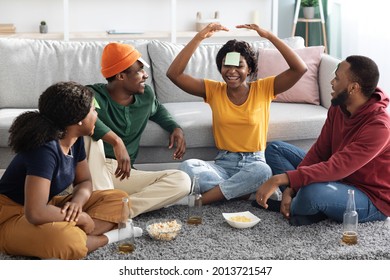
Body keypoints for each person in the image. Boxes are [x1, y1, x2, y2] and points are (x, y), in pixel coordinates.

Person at [166, 23, 307, 204]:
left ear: (249, 69)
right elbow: (174, 74)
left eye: (239, 66)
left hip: (254, 163)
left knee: (263, 171)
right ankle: (243, 192)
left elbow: (299, 69)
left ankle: (202, 201)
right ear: (220, 68)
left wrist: (270, 37)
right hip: (223, 164)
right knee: (188, 166)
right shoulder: (213, 90)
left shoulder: (263, 88)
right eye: (226, 65)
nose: (232, 71)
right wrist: (199, 37)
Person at [0, 81, 137, 260]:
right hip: (9, 217)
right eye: (93, 110)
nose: (97, 114)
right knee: (67, 240)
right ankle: (109, 237)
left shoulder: (74, 139)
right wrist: (82, 218)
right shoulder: (44, 150)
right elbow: (35, 212)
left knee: (120, 200)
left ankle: (81, 236)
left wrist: (77, 204)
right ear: (78, 119)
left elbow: (84, 181)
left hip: (47, 207)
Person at [255, 55, 390, 226]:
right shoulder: (339, 107)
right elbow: (319, 152)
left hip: (369, 197)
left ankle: (302, 207)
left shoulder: (379, 127)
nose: (332, 82)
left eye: (337, 78)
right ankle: (303, 206)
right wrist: (292, 187)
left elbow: (337, 168)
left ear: (353, 87)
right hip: (336, 179)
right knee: (275, 149)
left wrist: (279, 179)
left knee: (312, 191)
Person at [85, 42, 191, 218]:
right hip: (93, 168)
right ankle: (103, 202)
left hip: (122, 173)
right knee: (85, 133)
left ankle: (119, 210)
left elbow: (158, 110)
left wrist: (175, 127)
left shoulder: (146, 96)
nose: (145, 76)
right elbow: (81, 114)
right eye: (139, 71)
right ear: (120, 76)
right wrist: (116, 141)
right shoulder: (92, 95)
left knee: (182, 181)